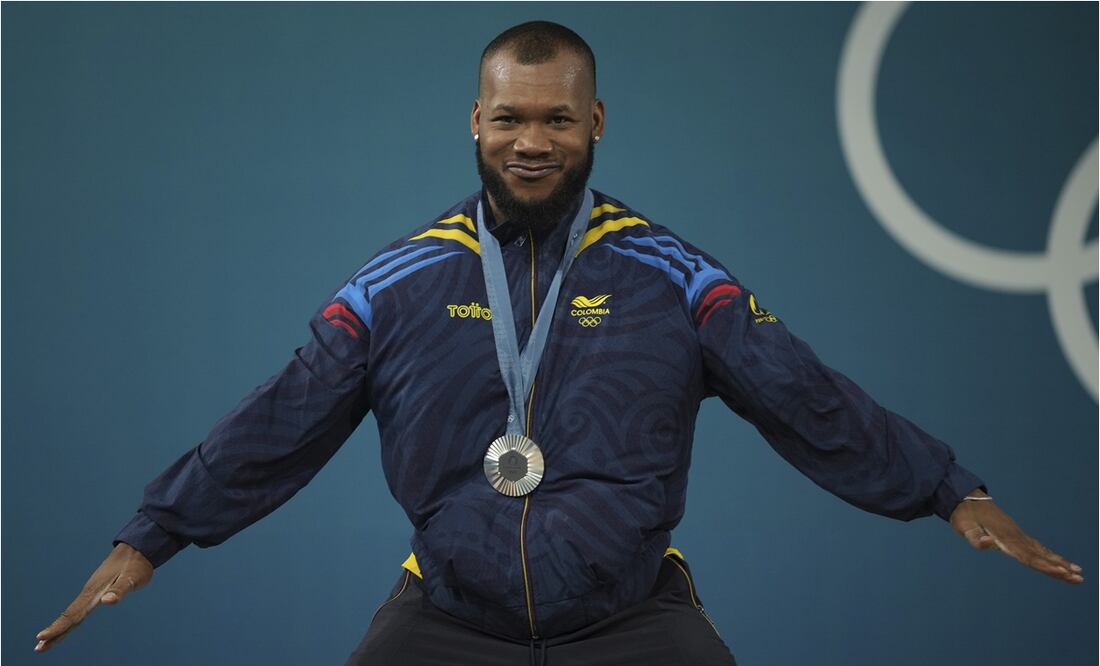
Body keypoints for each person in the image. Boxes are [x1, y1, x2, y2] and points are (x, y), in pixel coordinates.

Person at [36, 20, 1083, 665]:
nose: (530, 142)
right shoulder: (398, 283)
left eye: (555, 120)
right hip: (446, 620)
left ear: (596, 122)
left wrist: (947, 489)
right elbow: (283, 417)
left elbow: (803, 394)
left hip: (631, 623)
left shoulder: (673, 276)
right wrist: (153, 535)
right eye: (508, 120)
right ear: (474, 122)